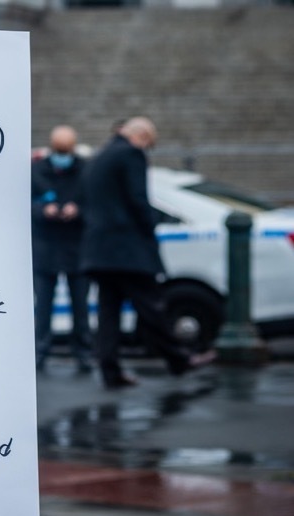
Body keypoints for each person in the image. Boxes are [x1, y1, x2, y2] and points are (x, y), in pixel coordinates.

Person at [79, 117, 215, 389]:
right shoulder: (130, 154)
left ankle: (110, 370)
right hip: (128, 250)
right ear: (141, 136)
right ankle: (179, 359)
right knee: (152, 305)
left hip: (98, 250)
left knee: (108, 313)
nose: (147, 149)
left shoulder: (98, 158)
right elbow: (138, 199)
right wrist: (149, 230)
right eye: (149, 144)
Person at [31, 126, 92, 373]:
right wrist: (42, 211)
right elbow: (25, 203)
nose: (62, 155)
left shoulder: (86, 171)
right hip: (45, 249)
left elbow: (95, 204)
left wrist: (78, 210)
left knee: (81, 308)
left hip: (77, 250)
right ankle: (39, 352)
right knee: (43, 308)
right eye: (59, 151)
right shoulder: (37, 171)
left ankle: (83, 353)